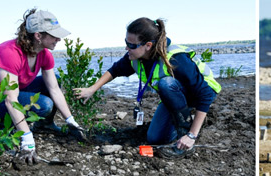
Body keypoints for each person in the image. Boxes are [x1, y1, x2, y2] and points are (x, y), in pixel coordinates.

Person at [74, 17, 221, 159]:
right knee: (154, 137)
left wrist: (191, 135)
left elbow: (205, 94)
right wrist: (92, 89)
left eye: (131, 45)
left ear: (148, 45)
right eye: (126, 42)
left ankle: (187, 133)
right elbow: (115, 70)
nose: (127, 48)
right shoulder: (135, 57)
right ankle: (189, 121)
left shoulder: (176, 59)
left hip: (199, 94)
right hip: (176, 97)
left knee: (166, 84)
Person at [0, 9, 86, 164]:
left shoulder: (44, 54)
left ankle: (45, 124)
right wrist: (27, 139)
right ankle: (1, 128)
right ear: (38, 36)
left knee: (55, 80)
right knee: (45, 104)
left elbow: (54, 89)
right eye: (54, 35)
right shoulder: (10, 53)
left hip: (14, 94)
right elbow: (10, 99)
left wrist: (71, 121)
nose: (58, 39)